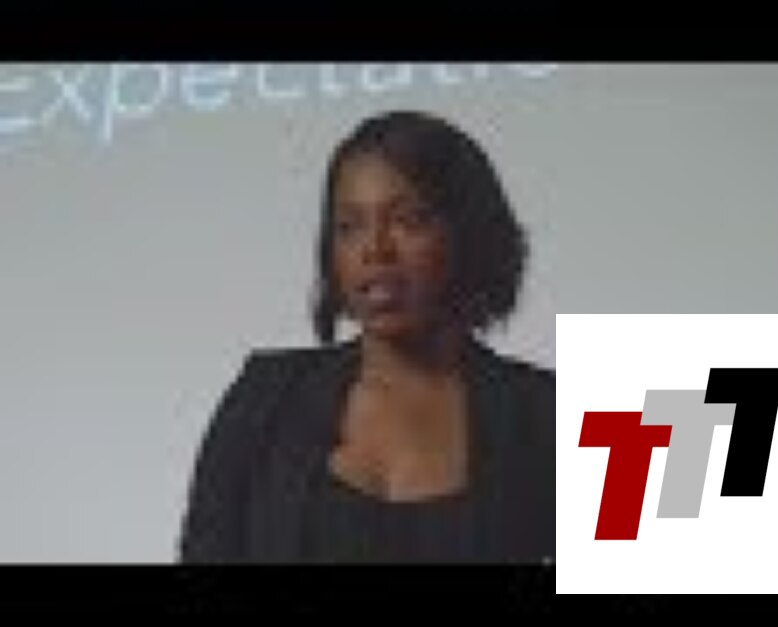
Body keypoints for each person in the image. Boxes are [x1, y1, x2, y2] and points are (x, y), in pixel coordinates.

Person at [178, 109, 555, 564]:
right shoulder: (264, 398)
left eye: (409, 220)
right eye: (348, 226)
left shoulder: (554, 412)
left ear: (468, 233)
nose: (374, 249)